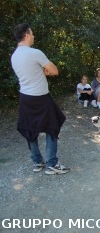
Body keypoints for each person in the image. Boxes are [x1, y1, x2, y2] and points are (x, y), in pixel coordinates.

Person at [11, 23, 70, 174]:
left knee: (29, 128)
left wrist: (43, 72)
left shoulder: (14, 55)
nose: (34, 36)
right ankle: (52, 164)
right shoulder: (35, 53)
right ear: (27, 35)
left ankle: (37, 161)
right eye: (32, 33)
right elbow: (55, 70)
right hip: (41, 97)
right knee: (52, 126)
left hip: (25, 98)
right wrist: (47, 71)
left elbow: (30, 74)